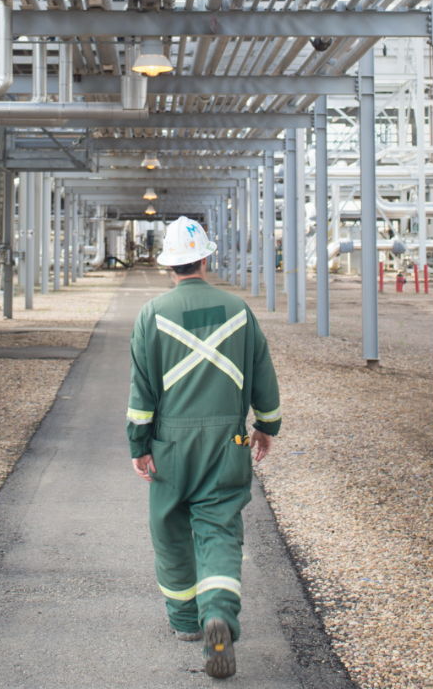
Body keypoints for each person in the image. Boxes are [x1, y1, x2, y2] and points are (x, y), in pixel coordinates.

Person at [126, 216, 282, 679]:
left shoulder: (151, 314)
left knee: (170, 527)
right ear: (206, 258)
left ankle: (184, 621)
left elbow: (142, 392)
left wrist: (139, 444)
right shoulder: (239, 310)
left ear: (169, 265)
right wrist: (266, 425)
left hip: (170, 442)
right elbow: (263, 373)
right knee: (218, 528)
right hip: (226, 440)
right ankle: (219, 614)